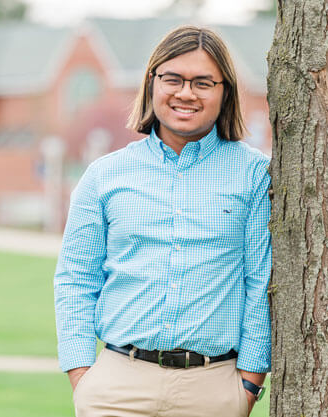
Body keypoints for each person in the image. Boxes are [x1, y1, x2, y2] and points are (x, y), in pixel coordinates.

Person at [54, 25, 271, 417]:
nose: (186, 93)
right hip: (116, 387)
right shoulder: (104, 176)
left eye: (203, 82)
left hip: (214, 389)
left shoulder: (255, 174)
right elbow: (75, 279)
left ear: (225, 92)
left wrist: (249, 384)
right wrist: (81, 374)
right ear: (152, 83)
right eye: (173, 79)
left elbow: (260, 281)